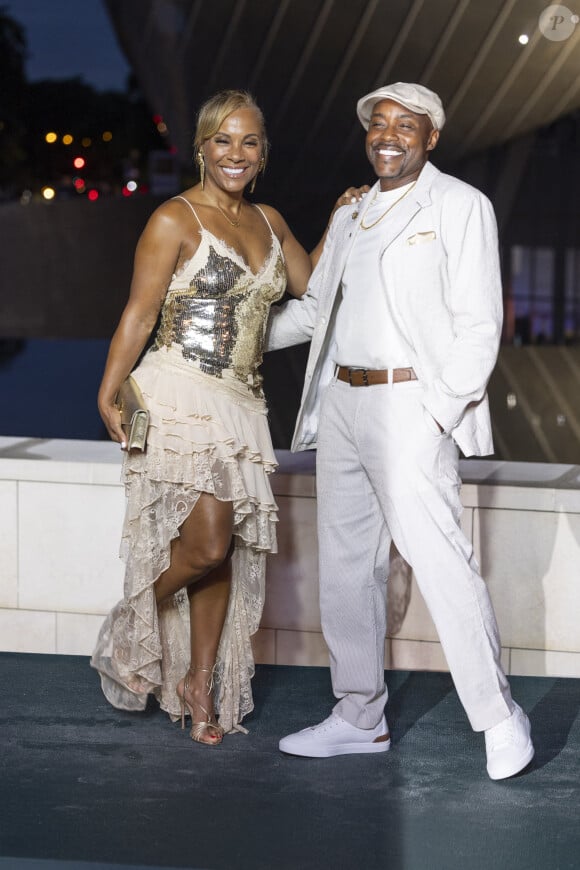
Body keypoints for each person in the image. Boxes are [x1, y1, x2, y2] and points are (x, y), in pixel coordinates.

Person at [266, 82, 535, 780]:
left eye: (405, 125)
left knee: (442, 560)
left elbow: (481, 323)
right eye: (378, 124)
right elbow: (315, 309)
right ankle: (359, 717)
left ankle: (500, 716)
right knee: (348, 573)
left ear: (431, 137)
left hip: (410, 406)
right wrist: (236, 339)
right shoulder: (353, 215)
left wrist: (439, 411)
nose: (389, 135)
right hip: (344, 406)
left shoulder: (459, 206)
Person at [91, 89, 356, 745]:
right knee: (207, 541)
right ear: (202, 148)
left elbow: (310, 287)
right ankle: (132, 617)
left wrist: (340, 222)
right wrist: (108, 389)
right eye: (223, 140)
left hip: (242, 402)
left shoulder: (269, 220)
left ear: (262, 153)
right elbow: (139, 313)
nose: (235, 153)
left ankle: (198, 683)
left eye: (249, 142)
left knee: (224, 551)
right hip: (177, 389)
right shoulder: (174, 219)